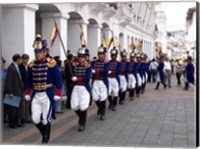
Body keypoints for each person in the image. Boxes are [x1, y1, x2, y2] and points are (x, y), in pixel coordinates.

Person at [24, 34, 62, 143]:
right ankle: (44, 133)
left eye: (39, 52)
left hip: (47, 93)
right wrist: (27, 91)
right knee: (35, 119)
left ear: (45, 52)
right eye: (36, 52)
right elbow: (29, 80)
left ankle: (46, 138)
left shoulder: (51, 63)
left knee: (45, 118)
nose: (37, 54)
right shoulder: (31, 65)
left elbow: (58, 79)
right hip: (36, 94)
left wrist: (58, 92)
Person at [70, 46, 91, 132]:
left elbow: (87, 78)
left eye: (82, 57)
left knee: (83, 106)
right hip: (76, 87)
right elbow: (69, 73)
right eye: (79, 56)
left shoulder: (88, 66)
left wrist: (77, 79)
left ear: (85, 57)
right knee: (74, 106)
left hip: (84, 87)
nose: (81, 58)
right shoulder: (74, 65)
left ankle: (82, 123)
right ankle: (81, 117)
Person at [6, 54, 24, 128]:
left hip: (19, 90)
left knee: (18, 108)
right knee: (13, 109)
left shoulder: (17, 67)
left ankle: (18, 122)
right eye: (20, 59)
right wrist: (10, 92)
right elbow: (9, 81)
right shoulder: (11, 68)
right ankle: (12, 123)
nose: (21, 61)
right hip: (13, 91)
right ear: (18, 59)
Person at [91, 46, 110, 121]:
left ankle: (103, 113)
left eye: (101, 53)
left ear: (104, 55)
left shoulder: (107, 62)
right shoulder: (94, 62)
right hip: (95, 81)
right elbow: (90, 69)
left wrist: (96, 71)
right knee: (95, 97)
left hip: (103, 81)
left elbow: (105, 72)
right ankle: (100, 108)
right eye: (99, 53)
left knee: (102, 97)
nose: (100, 55)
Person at [19, 54, 31, 124]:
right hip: (23, 88)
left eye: (26, 59)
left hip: (29, 88)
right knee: (23, 104)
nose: (25, 60)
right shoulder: (20, 67)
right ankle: (22, 118)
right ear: (21, 59)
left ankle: (27, 117)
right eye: (24, 59)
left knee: (28, 103)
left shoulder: (30, 66)